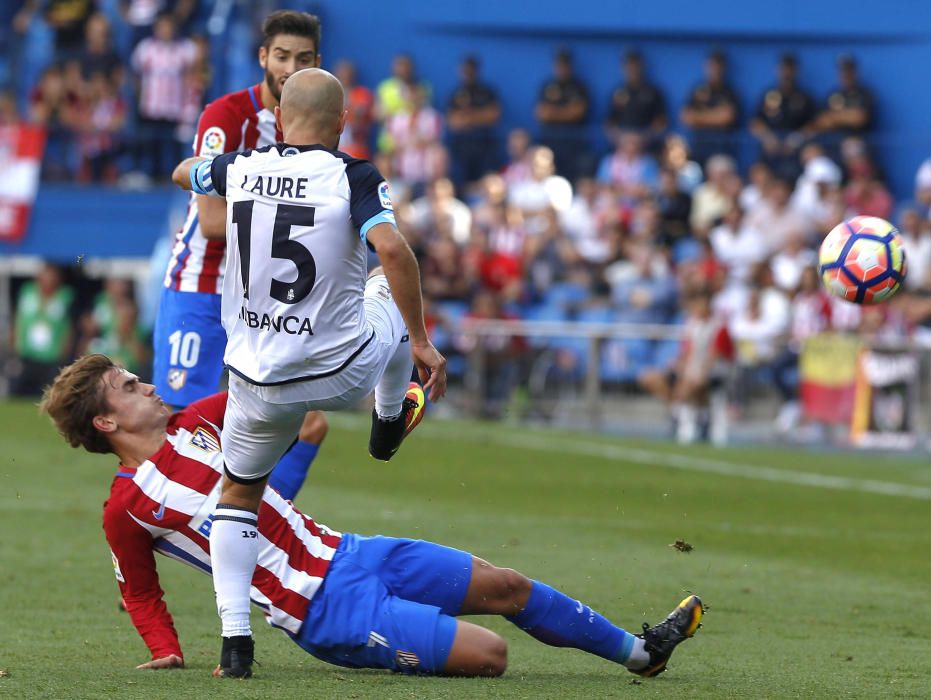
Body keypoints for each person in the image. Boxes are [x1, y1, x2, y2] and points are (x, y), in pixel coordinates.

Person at [40, 353, 704, 679]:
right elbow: (139, 587)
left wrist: (389, 385)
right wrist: (166, 651)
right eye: (129, 387)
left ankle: (642, 653)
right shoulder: (128, 507)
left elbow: (307, 420)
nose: (147, 384)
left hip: (352, 553)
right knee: (493, 657)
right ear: (105, 422)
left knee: (508, 586)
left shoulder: (204, 419)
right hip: (321, 611)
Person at [172, 67, 448, 678]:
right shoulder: (354, 175)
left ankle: (235, 646)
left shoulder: (241, 167)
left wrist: (208, 172)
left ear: (280, 117)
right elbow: (394, 250)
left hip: (252, 380)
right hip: (338, 370)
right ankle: (386, 420)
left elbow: (183, 173)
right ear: (343, 121)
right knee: (390, 294)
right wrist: (424, 342)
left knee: (238, 494)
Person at [154, 10, 326, 520]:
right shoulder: (227, 116)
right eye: (281, 56)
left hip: (261, 297)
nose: (290, 68)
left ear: (317, 63)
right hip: (202, 287)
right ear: (263, 58)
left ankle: (247, 532)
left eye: (302, 59)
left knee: (305, 425)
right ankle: (153, 541)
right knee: (181, 430)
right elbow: (210, 222)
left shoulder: (313, 130)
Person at [748, 54, 816, 180]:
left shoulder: (804, 97)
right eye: (783, 69)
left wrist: (797, 139)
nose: (786, 73)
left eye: (790, 69)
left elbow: (815, 125)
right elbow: (755, 123)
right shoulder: (768, 95)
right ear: (778, 70)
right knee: (759, 171)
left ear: (796, 71)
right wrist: (767, 137)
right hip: (771, 151)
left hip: (796, 153)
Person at [534, 48, 590, 182]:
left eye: (565, 65)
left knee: (572, 178)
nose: (561, 68)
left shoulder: (578, 87)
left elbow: (578, 112)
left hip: (573, 143)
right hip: (550, 141)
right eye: (559, 65)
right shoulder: (547, 86)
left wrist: (553, 112)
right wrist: (566, 111)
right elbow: (541, 113)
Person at [446, 55, 501, 190]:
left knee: (486, 181)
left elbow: (493, 116)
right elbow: (453, 122)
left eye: (471, 69)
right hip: (461, 147)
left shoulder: (487, 92)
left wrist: (466, 116)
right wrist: (479, 115)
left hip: (484, 145)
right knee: (460, 183)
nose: (468, 73)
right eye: (465, 69)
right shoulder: (456, 93)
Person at [679, 50, 739, 165]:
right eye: (710, 66)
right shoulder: (698, 89)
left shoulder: (729, 92)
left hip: (721, 150)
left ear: (723, 68)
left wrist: (698, 117)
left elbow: (727, 118)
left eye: (717, 67)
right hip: (697, 148)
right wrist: (715, 115)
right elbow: (685, 116)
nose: (713, 71)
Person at [604, 50, 667, 152]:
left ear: (642, 67)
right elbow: (609, 124)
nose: (632, 69)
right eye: (629, 65)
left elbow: (661, 123)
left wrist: (643, 138)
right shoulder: (617, 92)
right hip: (621, 150)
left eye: (635, 65)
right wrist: (621, 139)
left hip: (647, 150)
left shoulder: (653, 92)